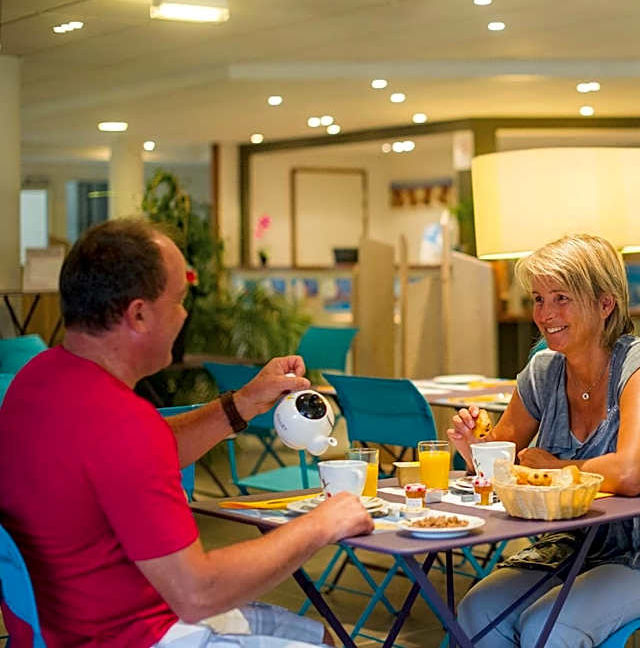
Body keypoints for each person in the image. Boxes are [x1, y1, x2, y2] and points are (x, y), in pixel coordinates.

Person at [0, 218, 373, 648]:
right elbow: (199, 592)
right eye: (178, 300)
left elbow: (142, 452)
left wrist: (245, 402)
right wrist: (321, 525)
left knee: (318, 637)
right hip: (135, 635)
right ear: (138, 314)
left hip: (53, 630)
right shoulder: (120, 424)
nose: (185, 315)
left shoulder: (34, 382)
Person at [447, 234, 640, 648]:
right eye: (539, 299)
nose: (546, 314)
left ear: (605, 304)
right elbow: (503, 458)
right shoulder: (543, 370)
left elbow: (633, 473)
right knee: (478, 611)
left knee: (547, 628)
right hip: (575, 548)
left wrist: (555, 469)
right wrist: (474, 446)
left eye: (561, 298)